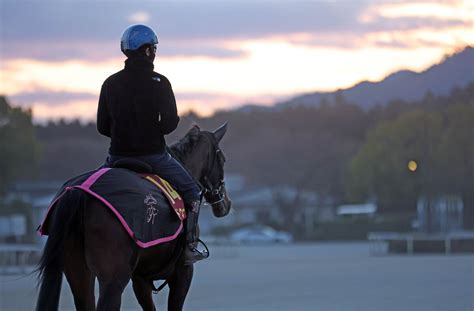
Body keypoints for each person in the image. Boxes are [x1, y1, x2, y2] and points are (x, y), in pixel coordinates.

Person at [97, 24, 207, 265]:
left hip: (116, 158)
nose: (154, 51)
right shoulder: (160, 82)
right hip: (153, 157)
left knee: (91, 187)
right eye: (154, 48)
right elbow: (169, 125)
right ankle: (189, 246)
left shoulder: (110, 83)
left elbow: (102, 127)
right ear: (147, 51)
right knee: (193, 192)